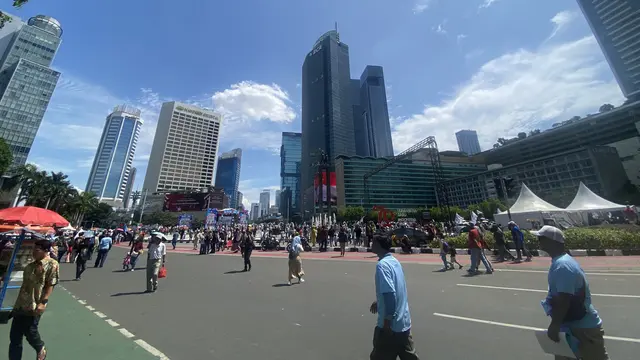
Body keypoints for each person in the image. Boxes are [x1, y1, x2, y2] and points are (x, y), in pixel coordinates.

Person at [534, 225, 609, 360]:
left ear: (552, 241)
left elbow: (564, 300)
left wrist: (555, 325)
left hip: (582, 329)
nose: (538, 241)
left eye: (541, 238)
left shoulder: (562, 265)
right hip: (572, 325)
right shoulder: (561, 262)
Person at [369, 234, 419, 360]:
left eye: (373, 242)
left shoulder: (382, 265)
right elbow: (396, 288)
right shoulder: (394, 261)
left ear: (379, 245)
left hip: (391, 327)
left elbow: (390, 293)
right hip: (404, 323)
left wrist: (388, 321)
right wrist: (379, 301)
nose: (371, 244)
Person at [9, 239, 59, 360]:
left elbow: (50, 284)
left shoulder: (52, 264)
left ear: (46, 251)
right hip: (21, 303)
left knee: (30, 331)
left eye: (37, 250)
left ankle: (40, 347)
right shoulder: (30, 265)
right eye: (33, 249)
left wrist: (43, 302)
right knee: (15, 336)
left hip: (35, 304)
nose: (33, 252)